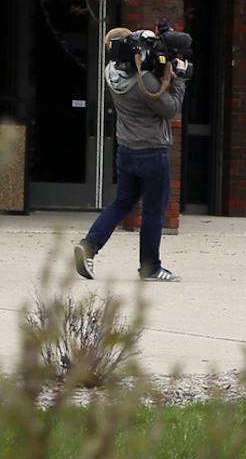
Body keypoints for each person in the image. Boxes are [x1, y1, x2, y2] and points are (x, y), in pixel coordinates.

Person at [73, 27, 188, 282]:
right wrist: (178, 78)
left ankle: (89, 246)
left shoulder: (111, 72)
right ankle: (150, 267)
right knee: (153, 212)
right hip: (152, 151)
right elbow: (170, 109)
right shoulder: (144, 81)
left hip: (126, 150)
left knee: (121, 204)